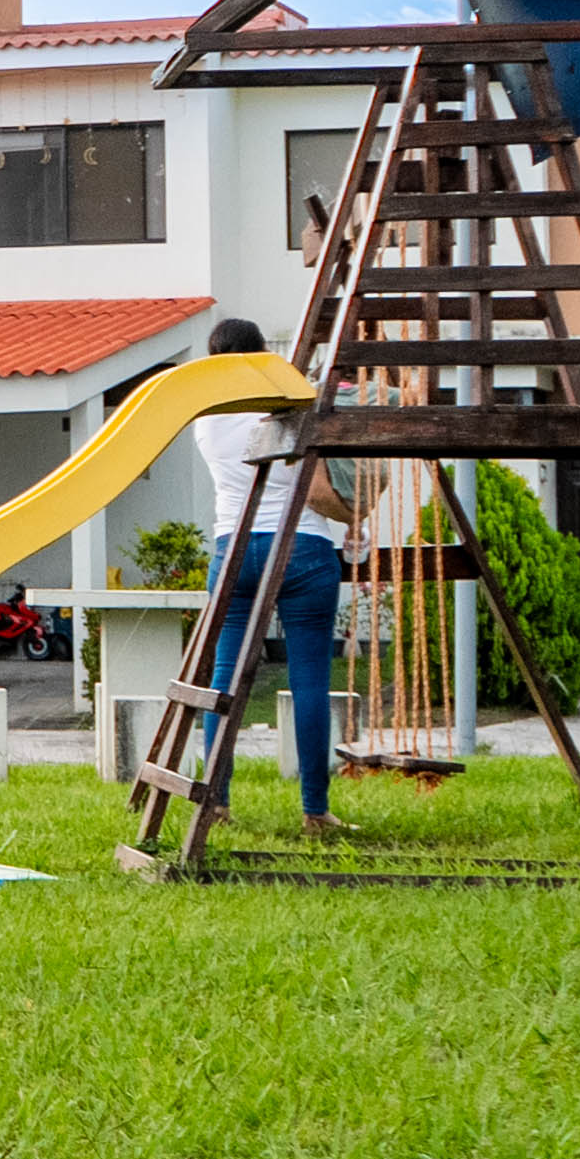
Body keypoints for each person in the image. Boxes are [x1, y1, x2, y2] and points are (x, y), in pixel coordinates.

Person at [187, 316, 351, 834]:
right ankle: (315, 811)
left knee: (224, 678)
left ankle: (216, 803)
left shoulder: (206, 419)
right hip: (303, 546)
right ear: (261, 355)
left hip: (233, 549)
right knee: (310, 681)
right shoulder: (295, 407)